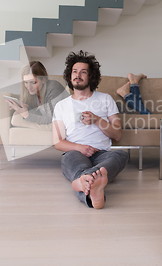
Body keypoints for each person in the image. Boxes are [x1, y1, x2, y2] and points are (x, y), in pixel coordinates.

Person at [52, 51, 129, 209]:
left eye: (83, 72)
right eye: (74, 71)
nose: (77, 75)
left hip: (103, 153)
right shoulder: (61, 106)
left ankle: (83, 181)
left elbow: (118, 134)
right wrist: (80, 148)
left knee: (121, 155)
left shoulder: (105, 99)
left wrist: (97, 120)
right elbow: (58, 142)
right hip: (75, 152)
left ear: (91, 76)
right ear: (69, 75)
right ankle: (94, 188)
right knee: (75, 163)